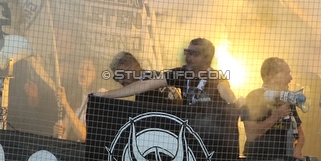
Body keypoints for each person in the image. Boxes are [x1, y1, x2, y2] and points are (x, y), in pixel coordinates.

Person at [96, 39, 236, 106]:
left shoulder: (215, 76)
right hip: (189, 136)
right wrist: (104, 95)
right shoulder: (180, 73)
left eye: (193, 53)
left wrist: (235, 102)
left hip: (212, 138)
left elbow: (225, 91)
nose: (187, 56)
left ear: (206, 57)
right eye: (186, 52)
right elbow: (143, 85)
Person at [243, 57, 305, 160]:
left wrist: (297, 149)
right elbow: (251, 134)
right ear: (271, 77)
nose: (290, 78)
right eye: (286, 73)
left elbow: (300, 135)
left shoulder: (288, 99)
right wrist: (276, 116)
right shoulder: (254, 97)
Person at [107, 51, 179, 104]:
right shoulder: (155, 76)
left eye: (123, 74)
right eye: (117, 77)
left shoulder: (144, 90)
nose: (120, 81)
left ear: (136, 66)